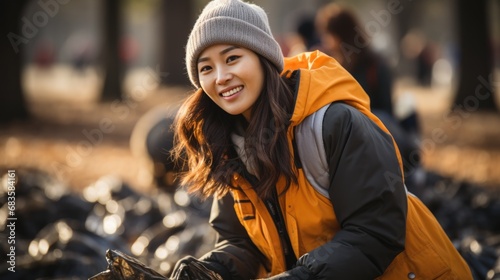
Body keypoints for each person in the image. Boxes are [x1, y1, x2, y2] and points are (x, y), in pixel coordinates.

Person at [170, 0, 472, 279]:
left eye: (232, 58)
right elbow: (240, 241)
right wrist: (212, 269)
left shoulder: (333, 123)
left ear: (265, 58)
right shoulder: (227, 145)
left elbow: (375, 232)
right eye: (206, 68)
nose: (220, 76)